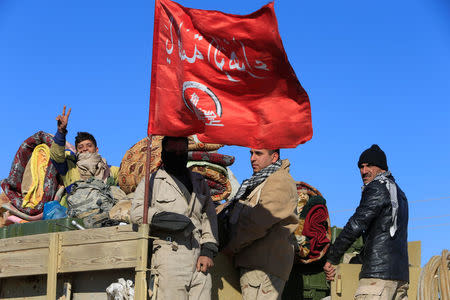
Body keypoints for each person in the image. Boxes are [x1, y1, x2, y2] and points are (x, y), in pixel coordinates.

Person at [130, 136, 219, 300]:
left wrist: (208, 251)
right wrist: (169, 220)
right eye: (173, 151)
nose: (178, 155)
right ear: (164, 153)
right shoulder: (153, 181)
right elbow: (136, 213)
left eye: (182, 151)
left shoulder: (198, 181)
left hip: (199, 257)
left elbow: (209, 218)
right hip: (169, 255)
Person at [324, 144, 409, 300]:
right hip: (400, 278)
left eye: (369, 166)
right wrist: (357, 260)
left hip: (377, 279)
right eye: (361, 167)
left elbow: (356, 224)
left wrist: (333, 257)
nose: (363, 171)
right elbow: (382, 236)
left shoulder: (377, 188)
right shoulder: (399, 194)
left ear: (381, 168)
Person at [222, 148, 299, 300]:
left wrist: (232, 247)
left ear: (274, 157)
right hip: (257, 264)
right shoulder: (260, 181)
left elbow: (259, 221)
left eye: (258, 153)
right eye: (251, 153)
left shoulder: (279, 180)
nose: (252, 158)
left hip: (263, 267)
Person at [49, 106, 119, 195]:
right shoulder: (70, 169)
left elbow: (128, 176)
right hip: (78, 208)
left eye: (89, 146)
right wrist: (61, 131)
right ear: (77, 152)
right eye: (80, 147)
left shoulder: (111, 171)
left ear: (96, 149)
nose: (85, 149)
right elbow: (56, 156)